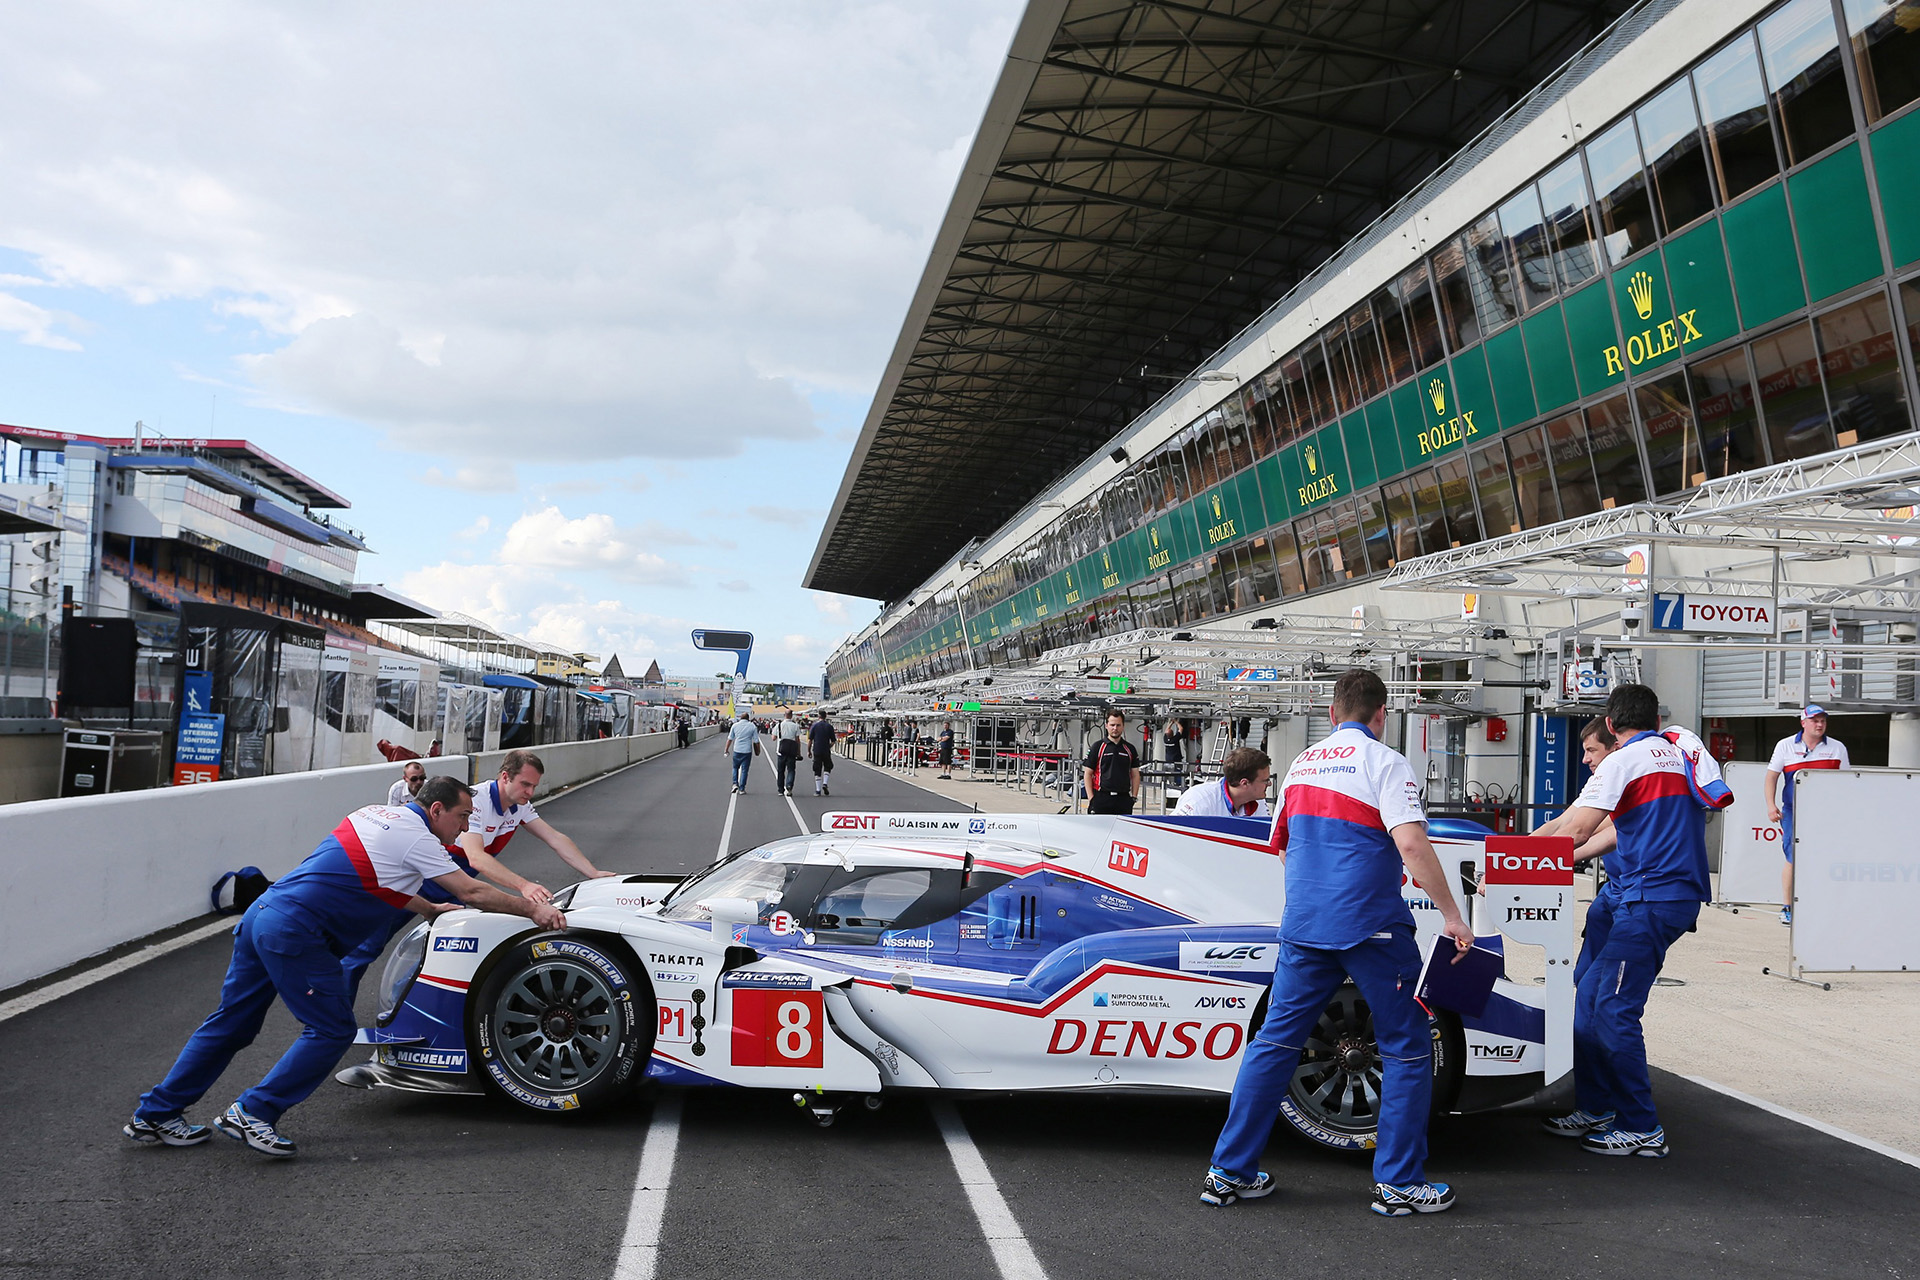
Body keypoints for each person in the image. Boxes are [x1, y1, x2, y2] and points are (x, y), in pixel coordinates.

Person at [124, 778, 566, 1157]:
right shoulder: (420, 838)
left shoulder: (373, 814)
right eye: (462, 815)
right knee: (331, 1030)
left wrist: (427, 905)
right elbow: (472, 891)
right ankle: (253, 1112)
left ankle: (155, 1114)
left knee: (231, 1024)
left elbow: (372, 875)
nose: (466, 825)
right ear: (435, 808)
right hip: (296, 933)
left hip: (263, 913)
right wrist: (532, 911)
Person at [1203, 669, 1471, 1216]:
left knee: (1275, 1044)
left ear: (1331, 714)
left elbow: (1280, 847)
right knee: (1408, 1046)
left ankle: (1228, 1172)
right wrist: (1453, 916)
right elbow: (1413, 846)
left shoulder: (1301, 766)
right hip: (1370, 926)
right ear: (1382, 715)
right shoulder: (1386, 762)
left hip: (1304, 925)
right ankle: (1397, 1183)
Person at [1534, 684, 1729, 1159]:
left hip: (1650, 899)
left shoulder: (1625, 760)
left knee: (1614, 1011)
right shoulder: (1676, 755)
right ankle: (1598, 1107)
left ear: (1612, 724)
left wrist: (1510, 864)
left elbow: (1576, 827)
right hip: (1656, 897)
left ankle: (1642, 1127)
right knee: (1592, 1001)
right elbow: (1604, 832)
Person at [339, 750, 614, 996]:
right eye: (525, 784)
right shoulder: (476, 801)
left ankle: (411, 1010)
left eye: (534, 786)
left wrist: (593, 872)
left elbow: (554, 837)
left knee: (452, 951)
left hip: (454, 885)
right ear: (505, 777)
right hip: (420, 879)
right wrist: (524, 886)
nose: (530, 792)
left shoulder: (519, 806)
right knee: (367, 948)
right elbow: (477, 857)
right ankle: (335, 1011)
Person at [1764, 705, 1848, 924]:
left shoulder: (1837, 748)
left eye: (1823, 721)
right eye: (1814, 721)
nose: (1819, 725)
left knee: (1826, 857)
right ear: (1803, 723)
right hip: (1795, 810)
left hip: (1826, 813)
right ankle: (1787, 908)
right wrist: (1771, 805)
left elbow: (1848, 783)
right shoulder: (1785, 746)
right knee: (1793, 857)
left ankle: (1825, 905)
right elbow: (1771, 777)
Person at [1174, 746, 1272, 817]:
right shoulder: (1199, 801)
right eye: (1265, 780)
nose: (1270, 784)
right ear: (1244, 783)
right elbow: (1172, 836)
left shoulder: (1259, 802)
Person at [1082, 709, 1142, 815]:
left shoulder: (1129, 748)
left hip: (1123, 799)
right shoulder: (1097, 747)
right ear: (1106, 725)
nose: (1115, 728)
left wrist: (1133, 797)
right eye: (1112, 725)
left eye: (1118, 725)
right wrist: (1091, 799)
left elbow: (1135, 774)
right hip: (1101, 798)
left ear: (1123, 726)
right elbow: (1087, 774)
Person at [726, 709, 759, 794]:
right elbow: (756, 741)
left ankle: (735, 784)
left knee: (735, 767)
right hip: (747, 750)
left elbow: (730, 739)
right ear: (748, 718)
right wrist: (757, 751)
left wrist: (726, 749)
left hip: (737, 749)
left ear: (740, 718)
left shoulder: (735, 725)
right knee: (744, 770)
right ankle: (742, 788)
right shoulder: (752, 726)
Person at [774, 709, 803, 796]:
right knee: (791, 770)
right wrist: (798, 752)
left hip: (781, 751)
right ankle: (789, 785)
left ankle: (780, 790)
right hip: (791, 751)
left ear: (784, 715)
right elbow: (798, 740)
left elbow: (773, 738)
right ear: (791, 716)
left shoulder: (779, 725)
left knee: (780, 771)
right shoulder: (795, 726)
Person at [809, 711, 836, 796]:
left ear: (818, 716)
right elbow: (833, 741)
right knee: (828, 766)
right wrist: (828, 746)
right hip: (825, 750)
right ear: (826, 716)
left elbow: (810, 740)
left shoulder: (814, 726)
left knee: (817, 769)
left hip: (817, 749)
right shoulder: (829, 726)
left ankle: (817, 790)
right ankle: (825, 782)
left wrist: (808, 750)